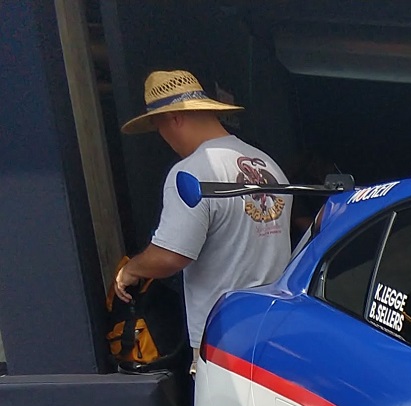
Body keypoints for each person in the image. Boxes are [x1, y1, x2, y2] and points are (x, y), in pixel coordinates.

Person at [112, 70, 290, 351]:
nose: (163, 137)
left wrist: (131, 269)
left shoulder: (191, 171)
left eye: (159, 127)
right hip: (275, 327)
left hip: (226, 339)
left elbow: (171, 256)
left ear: (175, 118)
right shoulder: (268, 164)